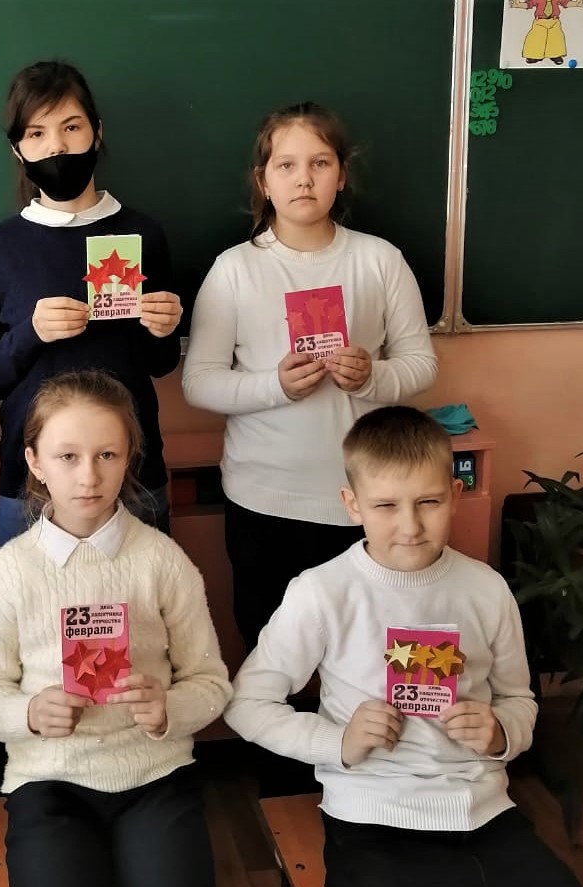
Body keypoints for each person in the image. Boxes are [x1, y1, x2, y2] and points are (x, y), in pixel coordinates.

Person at [224, 406, 583, 887]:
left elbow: (519, 698)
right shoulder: (322, 592)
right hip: (376, 825)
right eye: (386, 506)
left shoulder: (486, 588)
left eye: (428, 502)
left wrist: (500, 731)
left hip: (485, 818)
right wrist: (336, 741)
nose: (410, 526)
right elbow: (247, 704)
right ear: (352, 504)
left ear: (456, 493)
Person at [0, 371, 233, 887]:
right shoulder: (9, 573)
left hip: (155, 779)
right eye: (68, 457)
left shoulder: (161, 561)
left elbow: (211, 682)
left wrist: (168, 708)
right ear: (34, 462)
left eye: (107, 455)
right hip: (49, 787)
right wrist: (30, 714)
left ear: (129, 457)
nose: (88, 476)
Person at [182, 103, 438, 654]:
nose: (304, 178)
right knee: (272, 652)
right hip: (262, 500)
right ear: (263, 181)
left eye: (320, 163)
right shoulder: (234, 269)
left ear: (341, 175)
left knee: (364, 650)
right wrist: (273, 385)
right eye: (287, 165)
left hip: (364, 498)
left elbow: (421, 364)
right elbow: (198, 382)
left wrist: (371, 377)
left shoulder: (379, 260)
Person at [0, 60, 183, 546]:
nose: (57, 147)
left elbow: (161, 362)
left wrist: (163, 327)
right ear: (18, 149)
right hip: (32, 480)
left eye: (71, 127)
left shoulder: (141, 233)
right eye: (36, 133)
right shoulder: (1, 246)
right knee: (30, 596)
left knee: (147, 592)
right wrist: (31, 333)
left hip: (132, 471)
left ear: (97, 133)